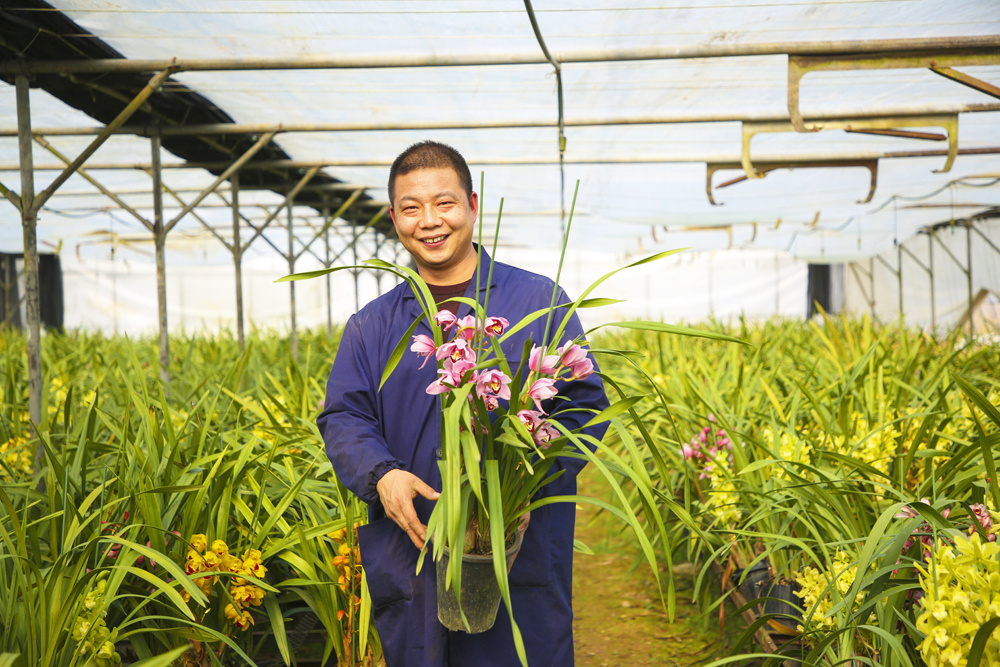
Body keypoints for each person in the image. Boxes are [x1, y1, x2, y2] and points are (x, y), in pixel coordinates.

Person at [317, 141, 608, 666]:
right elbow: (344, 415)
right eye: (411, 208)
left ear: (472, 205)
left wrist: (524, 482)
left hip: (514, 551)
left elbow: (584, 405)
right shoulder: (373, 325)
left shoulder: (539, 302)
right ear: (394, 218)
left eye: (444, 203)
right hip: (414, 545)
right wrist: (381, 475)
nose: (429, 221)